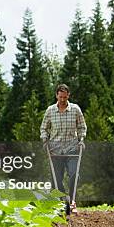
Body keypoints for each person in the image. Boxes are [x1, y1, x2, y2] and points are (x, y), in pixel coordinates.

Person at [40, 84, 87, 214]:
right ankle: (62, 202)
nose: (62, 100)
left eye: (65, 97)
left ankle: (72, 202)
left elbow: (82, 127)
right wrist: (45, 140)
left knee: (74, 175)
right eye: (60, 97)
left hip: (72, 148)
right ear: (56, 95)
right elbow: (44, 128)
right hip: (55, 150)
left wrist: (81, 139)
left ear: (68, 96)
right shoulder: (50, 110)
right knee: (56, 178)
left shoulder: (75, 109)